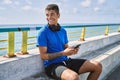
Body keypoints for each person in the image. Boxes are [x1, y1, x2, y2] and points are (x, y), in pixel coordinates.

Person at [37, 4, 102, 80]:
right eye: (47, 15)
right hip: (52, 66)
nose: (49, 17)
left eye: (52, 14)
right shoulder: (42, 32)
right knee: (74, 77)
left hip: (66, 61)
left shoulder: (63, 31)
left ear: (58, 15)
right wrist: (63, 53)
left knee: (97, 66)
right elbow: (43, 56)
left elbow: (65, 48)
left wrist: (72, 50)